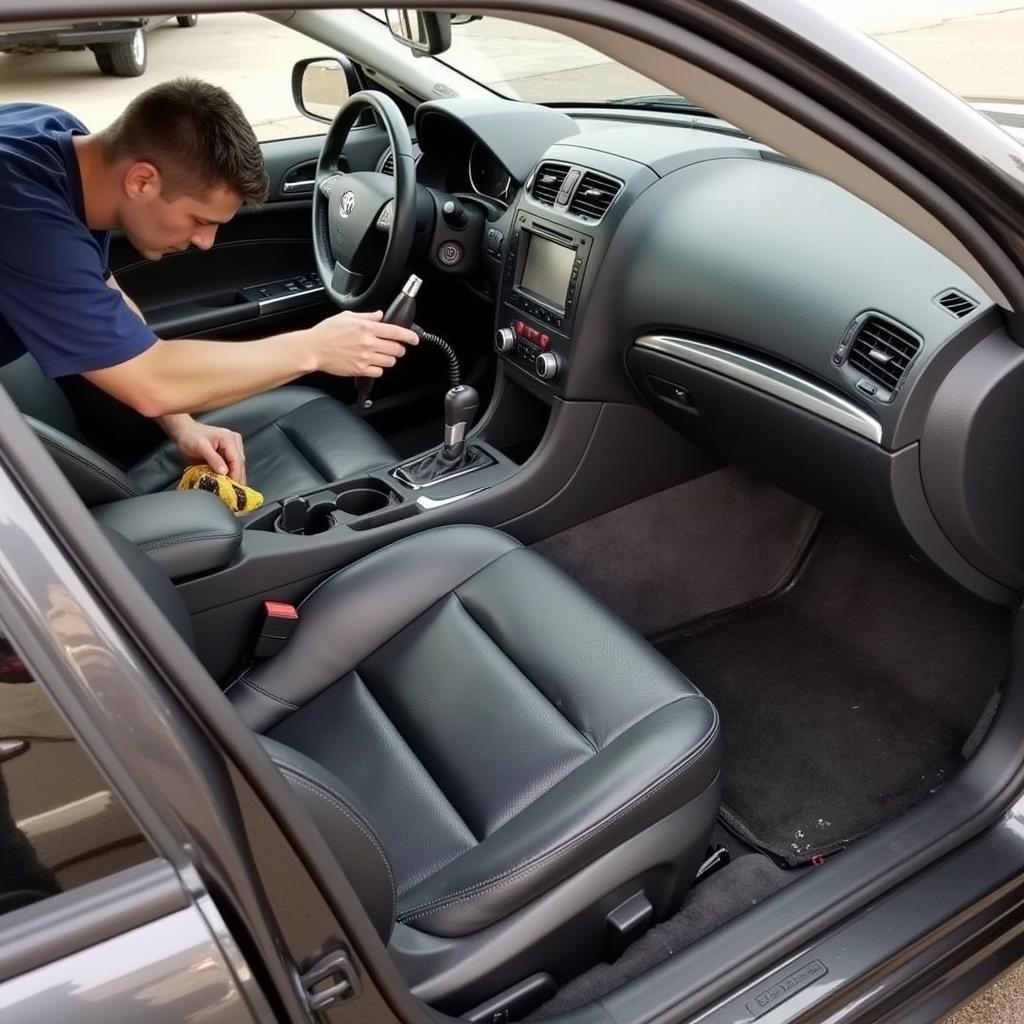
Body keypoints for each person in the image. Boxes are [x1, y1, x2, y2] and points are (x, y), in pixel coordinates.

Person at [0, 77, 418, 483]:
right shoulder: (23, 213)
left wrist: (184, 426)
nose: (205, 242)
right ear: (141, 181)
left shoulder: (53, 134)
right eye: (199, 220)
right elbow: (150, 381)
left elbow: (105, 289)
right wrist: (314, 348)